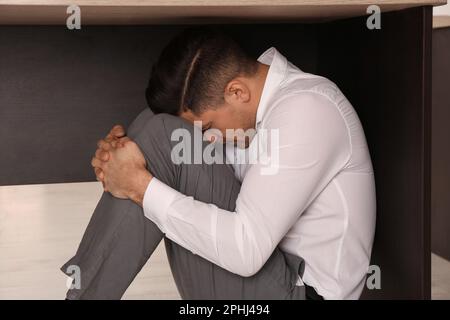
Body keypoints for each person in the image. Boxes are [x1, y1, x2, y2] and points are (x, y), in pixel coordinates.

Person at [63, 27, 376, 300]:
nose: (208, 139)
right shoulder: (254, 106)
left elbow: (246, 251)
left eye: (208, 128)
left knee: (160, 137)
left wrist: (139, 186)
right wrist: (122, 157)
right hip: (269, 273)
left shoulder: (308, 109)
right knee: (156, 126)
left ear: (237, 91)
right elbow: (170, 146)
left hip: (300, 292)